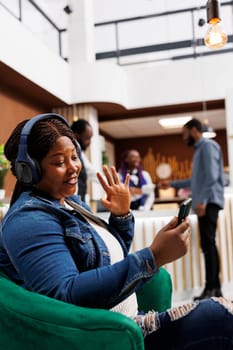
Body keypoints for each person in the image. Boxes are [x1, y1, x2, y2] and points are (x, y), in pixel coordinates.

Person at [1, 113, 233, 350]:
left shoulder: (69, 201)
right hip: (111, 332)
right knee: (221, 317)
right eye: (60, 162)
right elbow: (65, 296)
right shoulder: (28, 220)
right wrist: (153, 257)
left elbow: (110, 257)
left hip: (132, 319)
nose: (74, 168)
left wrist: (121, 216)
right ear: (28, 169)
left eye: (74, 157)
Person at [159, 118, 225, 301]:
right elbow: (194, 181)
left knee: (209, 244)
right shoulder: (200, 150)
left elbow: (211, 177)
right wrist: (171, 183)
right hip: (206, 201)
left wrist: (202, 201)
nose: (183, 137)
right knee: (207, 245)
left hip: (208, 202)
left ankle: (212, 288)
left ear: (194, 130)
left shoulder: (207, 146)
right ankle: (214, 288)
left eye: (184, 133)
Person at [71, 118, 97, 202]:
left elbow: (93, 173)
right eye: (87, 138)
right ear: (76, 135)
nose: (89, 142)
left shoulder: (81, 155)